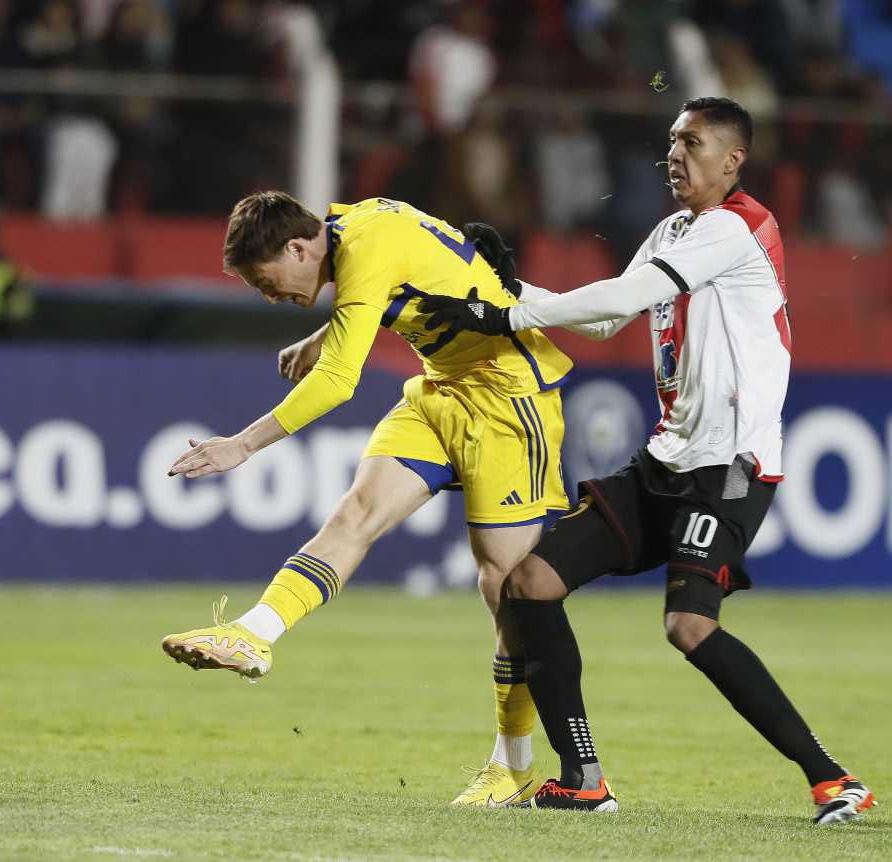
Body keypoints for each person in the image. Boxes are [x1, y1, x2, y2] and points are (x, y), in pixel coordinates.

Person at [417, 96, 875, 824]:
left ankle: (832, 778)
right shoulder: (674, 230)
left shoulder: (739, 226)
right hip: (664, 460)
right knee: (529, 583)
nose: (674, 155)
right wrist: (510, 285)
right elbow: (605, 319)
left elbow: (630, 291)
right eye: (671, 141)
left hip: (728, 465)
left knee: (688, 626)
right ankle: (583, 778)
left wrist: (506, 316)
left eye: (692, 143)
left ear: (733, 161)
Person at [160, 191, 616, 806]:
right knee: (355, 513)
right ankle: (252, 633)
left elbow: (340, 382)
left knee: (505, 588)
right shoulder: (349, 223)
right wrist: (329, 331)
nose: (269, 298)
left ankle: (512, 763)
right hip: (441, 388)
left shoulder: (365, 238)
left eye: (267, 282)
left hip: (510, 398)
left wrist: (243, 444)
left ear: (298, 248)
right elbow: (401, 279)